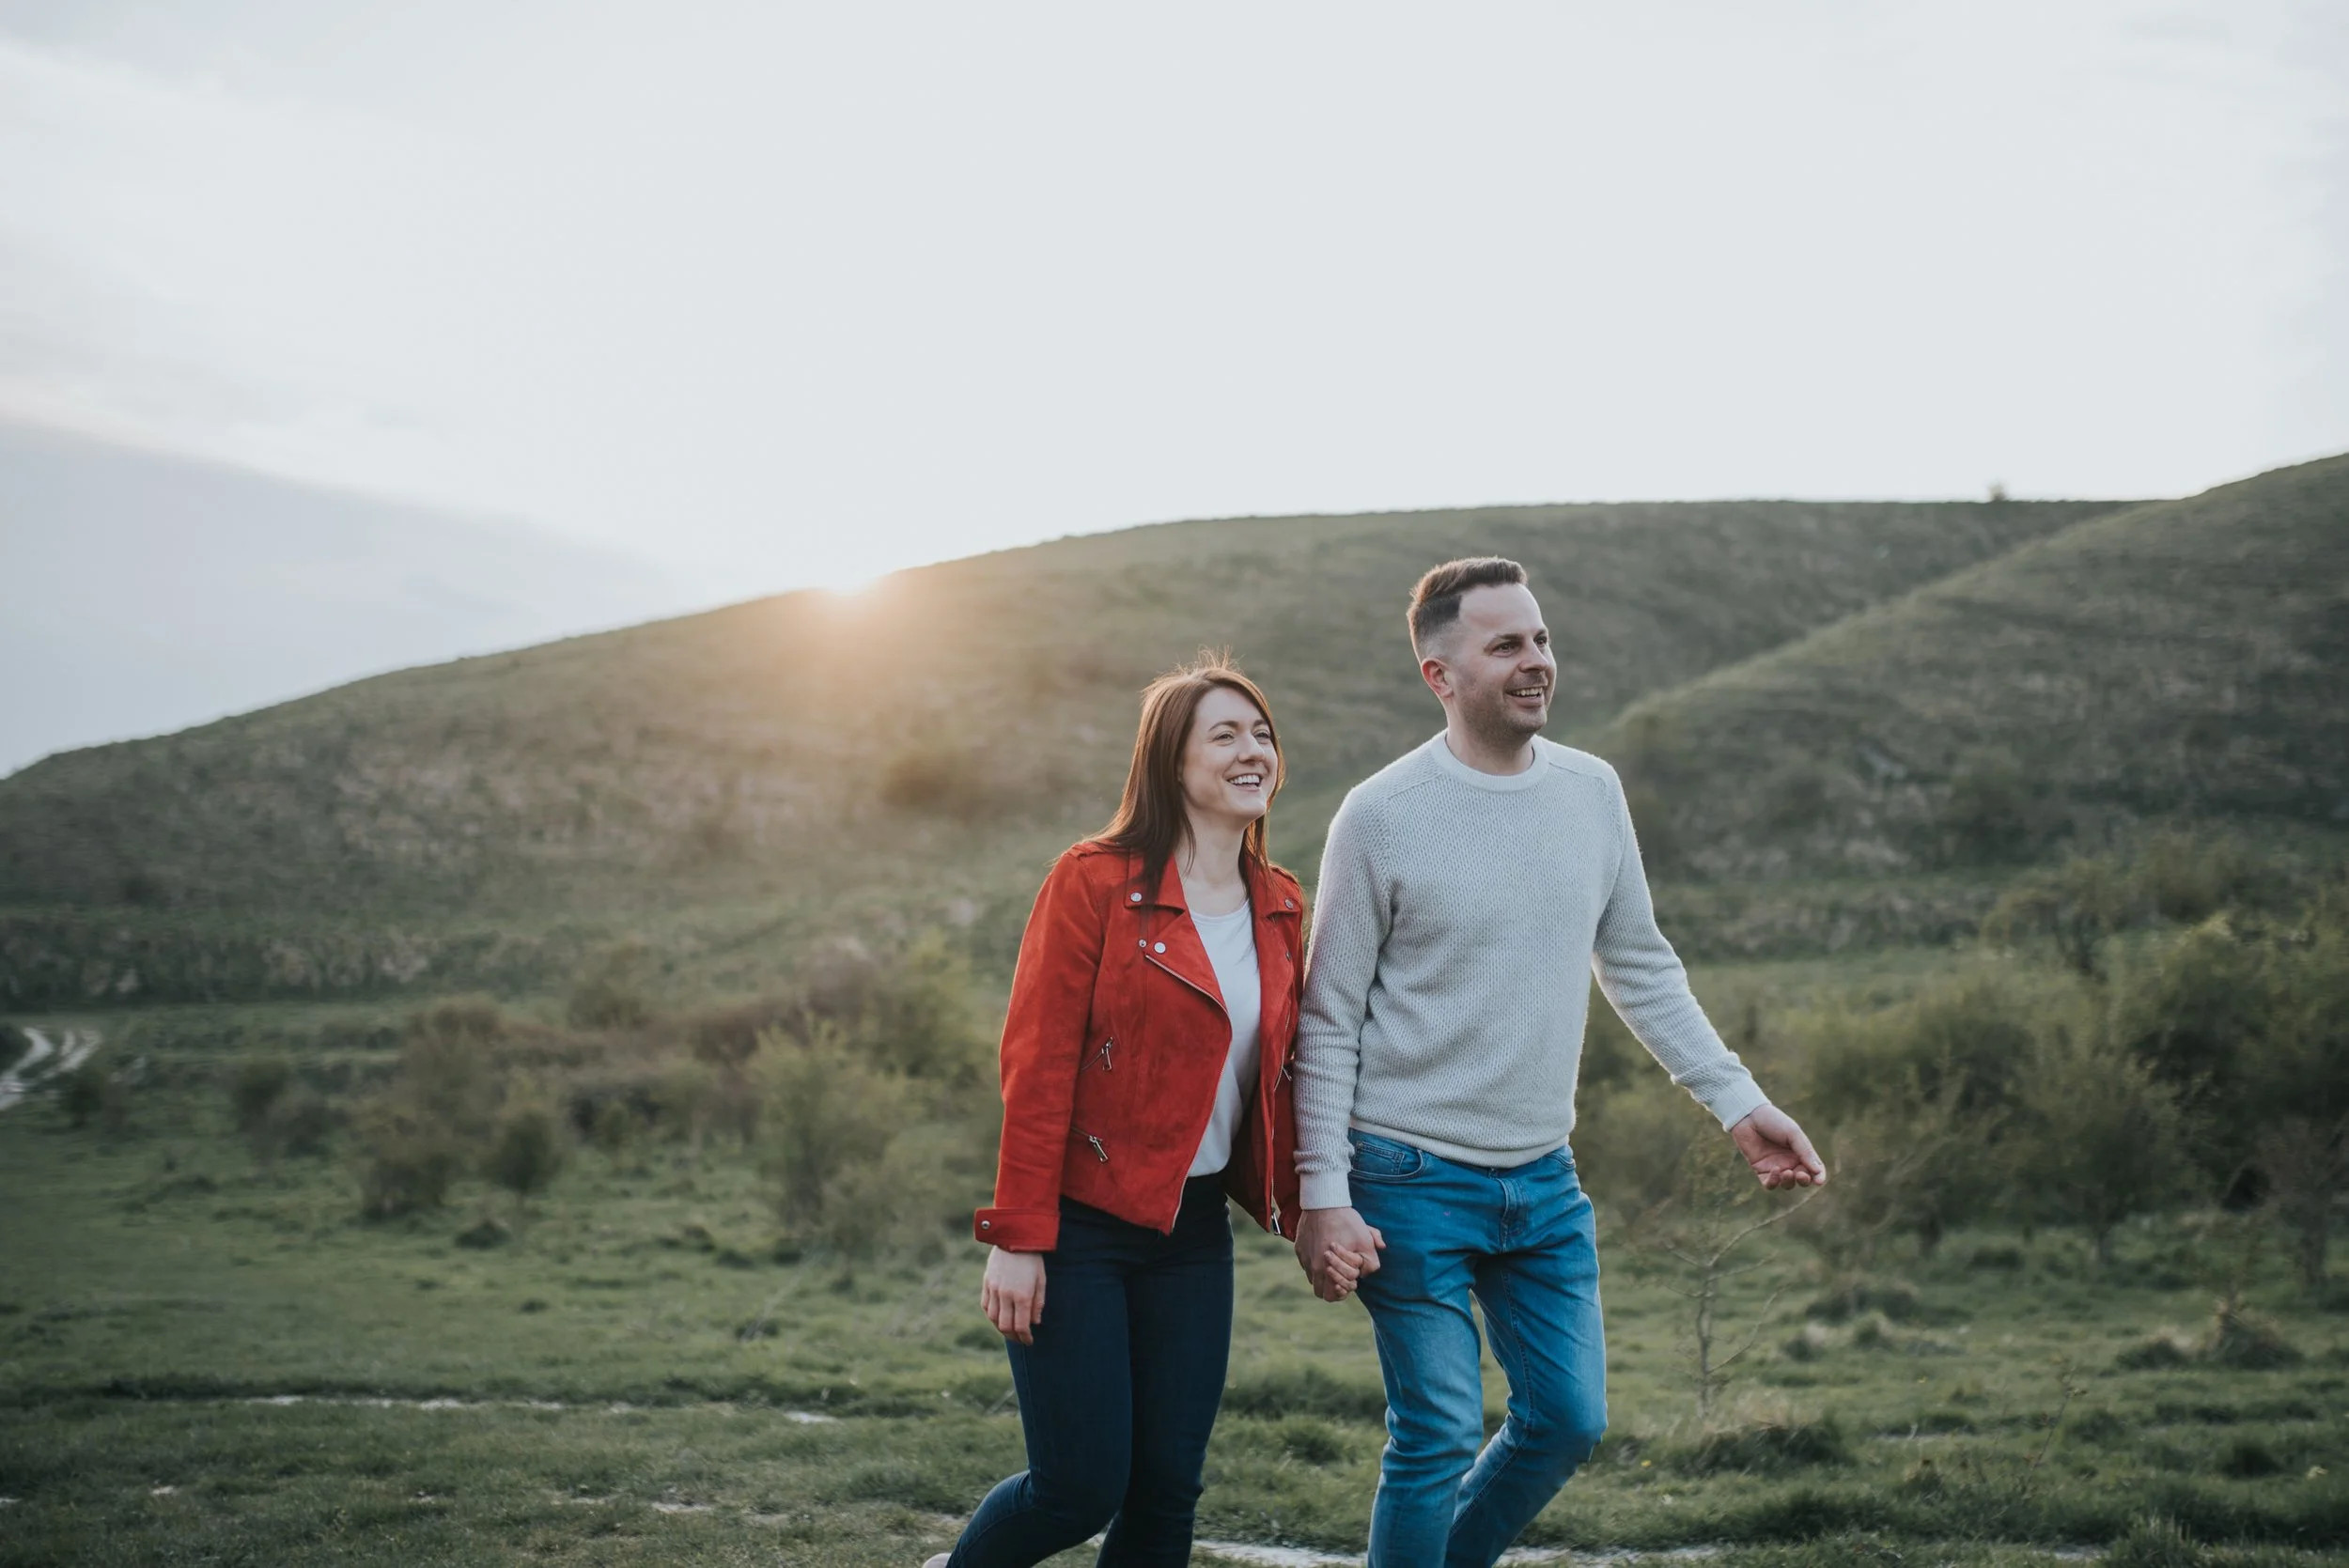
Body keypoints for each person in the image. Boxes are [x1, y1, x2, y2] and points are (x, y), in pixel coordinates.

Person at [1290, 557, 1827, 1568]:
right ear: (1438, 675)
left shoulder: (1591, 791)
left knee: (1567, 1419)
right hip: (1404, 1175)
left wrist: (1736, 1100)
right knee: (1439, 1429)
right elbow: (1326, 1019)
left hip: (1541, 1178)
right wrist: (1323, 1192)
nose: (1535, 662)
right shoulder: (1378, 813)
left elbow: (1636, 960)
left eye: (1539, 639)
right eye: (1505, 645)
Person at [927, 656, 1306, 1568]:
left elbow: (1295, 1071)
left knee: (1167, 1487)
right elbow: (1038, 1061)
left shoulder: (1281, 903)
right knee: (1079, 1486)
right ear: (1171, 762)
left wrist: (1321, 1199)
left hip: (1194, 1229)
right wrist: (1017, 1235)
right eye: (1225, 734)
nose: (1252, 749)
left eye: (1261, 733)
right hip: (1078, 1229)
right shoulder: (1093, 881)